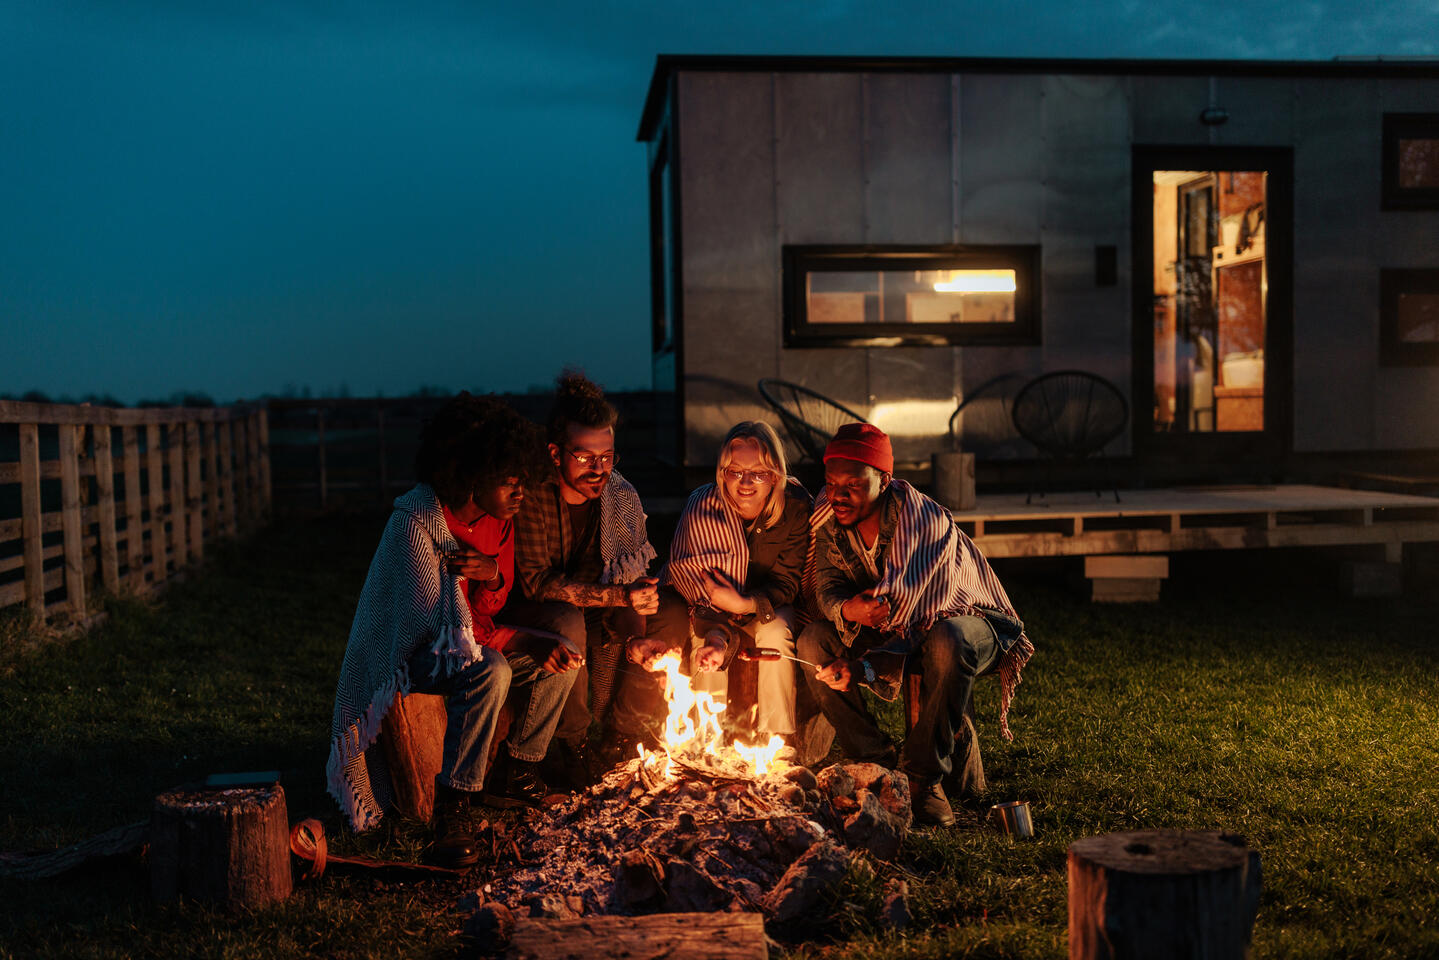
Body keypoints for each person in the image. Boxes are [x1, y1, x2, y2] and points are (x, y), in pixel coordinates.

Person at [326, 393, 578, 869]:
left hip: (465, 642)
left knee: (561, 659)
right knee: (492, 672)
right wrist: (516, 638)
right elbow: (432, 632)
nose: (520, 492)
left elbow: (483, 615)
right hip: (408, 659)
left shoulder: (497, 524)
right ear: (470, 473)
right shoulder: (416, 524)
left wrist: (493, 578)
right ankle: (453, 808)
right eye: (509, 481)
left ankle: (519, 770)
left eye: (522, 480)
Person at [799, 423, 1035, 826]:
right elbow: (827, 586)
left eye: (852, 485)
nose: (838, 495)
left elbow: (914, 617)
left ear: (885, 480)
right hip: (894, 625)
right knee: (812, 642)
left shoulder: (920, 520)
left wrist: (861, 666)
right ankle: (877, 761)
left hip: (972, 621)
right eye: (831, 483)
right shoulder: (831, 516)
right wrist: (848, 611)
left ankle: (923, 779)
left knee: (948, 639)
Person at [504, 372, 678, 785]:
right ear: (555, 453)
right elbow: (537, 584)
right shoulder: (533, 496)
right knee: (569, 618)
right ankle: (571, 743)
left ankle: (621, 734)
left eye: (607, 456)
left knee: (670, 613)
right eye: (584, 457)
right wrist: (622, 597)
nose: (599, 469)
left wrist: (637, 633)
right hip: (534, 612)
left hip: (600, 606)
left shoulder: (620, 498)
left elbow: (631, 577)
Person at [653, 421, 811, 739]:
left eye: (759, 472)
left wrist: (745, 603)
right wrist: (716, 633)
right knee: (705, 647)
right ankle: (703, 742)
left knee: (776, 635)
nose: (746, 483)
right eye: (736, 471)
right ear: (722, 472)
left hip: (766, 604)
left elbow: (787, 581)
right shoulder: (704, 508)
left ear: (776, 474)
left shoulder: (793, 507)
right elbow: (696, 585)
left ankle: (777, 740)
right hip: (711, 609)